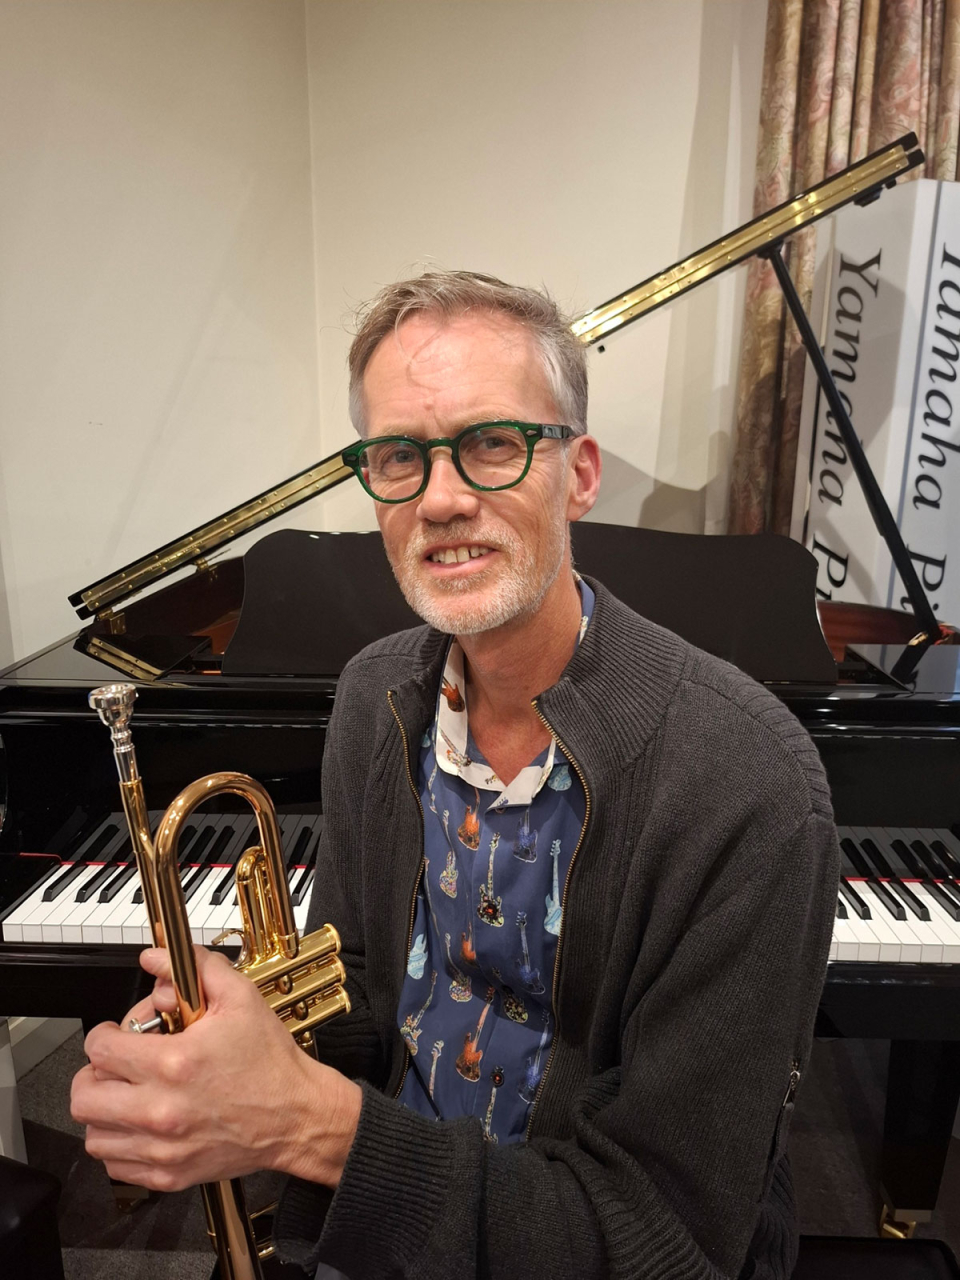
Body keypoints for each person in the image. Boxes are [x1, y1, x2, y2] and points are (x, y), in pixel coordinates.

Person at [71, 271, 839, 1280]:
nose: (440, 498)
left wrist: (312, 1124)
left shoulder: (750, 779)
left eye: (492, 442)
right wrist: (231, 1044)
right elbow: (364, 1006)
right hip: (380, 1221)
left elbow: (666, 1244)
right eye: (399, 455)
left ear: (580, 473)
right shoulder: (373, 693)